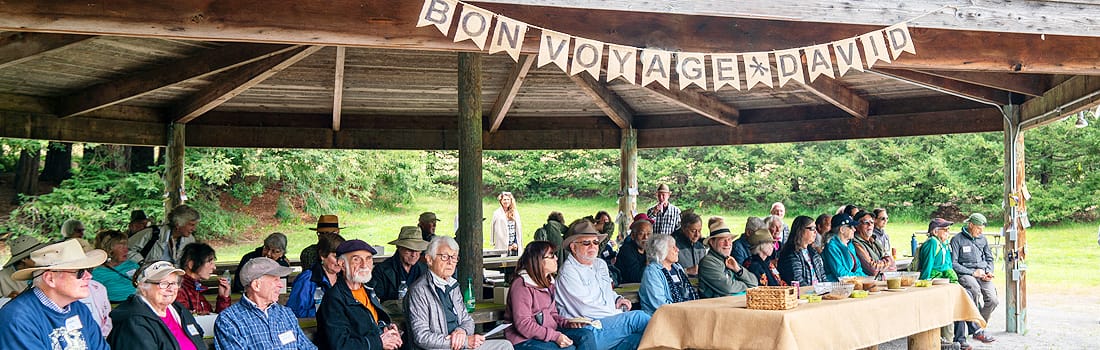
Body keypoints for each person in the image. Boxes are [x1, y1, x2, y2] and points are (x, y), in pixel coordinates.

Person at [554, 221, 649, 350]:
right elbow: (585, 308)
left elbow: (606, 291)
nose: (592, 246)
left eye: (596, 242)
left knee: (640, 341)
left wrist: (617, 298)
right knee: (639, 318)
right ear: (573, 247)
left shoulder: (600, 264)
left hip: (609, 325)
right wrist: (619, 314)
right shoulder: (568, 272)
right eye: (586, 243)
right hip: (589, 329)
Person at [406, 236, 513, 350]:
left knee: (505, 346)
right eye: (444, 257)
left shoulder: (452, 285)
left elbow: (467, 321)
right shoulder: (419, 290)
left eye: (454, 257)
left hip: (461, 346)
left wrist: (461, 331)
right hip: (442, 347)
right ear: (429, 259)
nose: (450, 262)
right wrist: (464, 342)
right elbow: (422, 337)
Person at [0, 239, 110, 349]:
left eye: (88, 270)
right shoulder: (18, 318)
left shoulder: (80, 309)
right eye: (80, 272)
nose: (89, 276)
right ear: (50, 278)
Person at [504, 241, 597, 350]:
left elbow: (552, 314)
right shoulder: (522, 285)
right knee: (568, 349)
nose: (556, 258)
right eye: (552, 255)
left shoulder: (548, 282)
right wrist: (555, 336)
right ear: (539, 260)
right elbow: (523, 324)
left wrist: (567, 323)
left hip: (547, 331)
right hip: (523, 340)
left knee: (586, 335)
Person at [315, 240, 401, 350]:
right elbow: (340, 345)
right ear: (342, 264)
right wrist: (379, 342)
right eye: (356, 259)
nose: (364, 265)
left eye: (368, 258)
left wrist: (389, 331)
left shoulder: (368, 290)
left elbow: (372, 323)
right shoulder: (334, 299)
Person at [215, 257, 317, 350]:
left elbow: (307, 347)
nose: (281, 285)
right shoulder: (229, 321)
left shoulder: (286, 314)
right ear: (256, 285)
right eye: (275, 279)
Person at [107, 260, 206, 350]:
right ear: (143, 287)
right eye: (163, 283)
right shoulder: (134, 322)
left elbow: (199, 338)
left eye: (174, 283)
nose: (171, 289)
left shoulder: (179, 310)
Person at [919, 218, 969, 350]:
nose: (948, 232)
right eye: (945, 230)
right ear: (935, 232)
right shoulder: (932, 243)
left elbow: (948, 264)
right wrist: (925, 282)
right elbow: (927, 265)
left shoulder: (944, 243)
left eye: (949, 230)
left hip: (947, 280)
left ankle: (954, 338)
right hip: (936, 281)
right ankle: (947, 340)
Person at [950, 213, 998, 344]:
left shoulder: (983, 239)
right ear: (970, 225)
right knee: (975, 290)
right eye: (978, 228)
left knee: (993, 300)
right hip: (966, 274)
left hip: (983, 274)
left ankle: (979, 328)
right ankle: (977, 330)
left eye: (982, 229)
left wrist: (989, 271)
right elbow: (953, 264)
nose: (981, 232)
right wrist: (972, 273)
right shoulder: (956, 240)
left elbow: (989, 258)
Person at [287, 232, 345, 318]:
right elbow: (294, 312)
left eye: (343, 257)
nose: (340, 261)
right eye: (336, 257)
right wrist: (327, 311)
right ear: (322, 255)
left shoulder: (344, 278)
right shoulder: (308, 279)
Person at [697, 219, 756, 298]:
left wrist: (738, 270)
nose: (727, 244)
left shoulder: (728, 259)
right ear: (711, 242)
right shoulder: (708, 262)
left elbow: (754, 283)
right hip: (715, 308)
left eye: (729, 239)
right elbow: (728, 288)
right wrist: (747, 286)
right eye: (723, 240)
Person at [639, 234, 698, 314]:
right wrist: (686, 312)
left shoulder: (677, 268)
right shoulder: (652, 272)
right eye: (673, 247)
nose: (677, 250)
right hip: (664, 318)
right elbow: (660, 305)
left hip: (685, 312)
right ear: (662, 250)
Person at [371, 226, 429, 303]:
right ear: (399, 247)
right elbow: (376, 302)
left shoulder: (425, 270)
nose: (414, 254)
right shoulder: (381, 270)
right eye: (409, 249)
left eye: (418, 250)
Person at [128, 204, 200, 264]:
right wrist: (141, 262)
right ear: (178, 224)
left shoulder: (190, 240)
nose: (194, 229)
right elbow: (125, 249)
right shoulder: (152, 234)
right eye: (191, 225)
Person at [176, 243, 230, 315]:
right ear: (191, 264)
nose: (214, 267)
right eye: (210, 262)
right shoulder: (178, 290)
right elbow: (185, 320)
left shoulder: (195, 289)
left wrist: (223, 297)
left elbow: (220, 320)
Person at [91, 230, 140, 302]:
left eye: (126, 246)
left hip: (137, 303)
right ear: (108, 249)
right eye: (121, 247)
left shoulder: (133, 265)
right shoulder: (97, 272)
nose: (126, 250)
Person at [778, 216, 826, 286]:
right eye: (812, 228)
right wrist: (815, 292)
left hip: (817, 293)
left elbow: (822, 275)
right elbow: (797, 280)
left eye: (815, 228)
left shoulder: (813, 252)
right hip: (803, 294)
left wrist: (827, 289)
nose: (815, 232)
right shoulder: (791, 253)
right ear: (801, 230)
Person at [851, 211, 896, 277]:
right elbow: (873, 269)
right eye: (866, 222)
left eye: (872, 222)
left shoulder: (873, 240)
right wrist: (888, 262)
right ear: (857, 226)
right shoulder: (856, 243)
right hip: (870, 283)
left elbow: (893, 266)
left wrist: (882, 264)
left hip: (882, 280)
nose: (870, 225)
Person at [822, 216, 866, 281]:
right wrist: (859, 278)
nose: (855, 229)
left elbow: (858, 267)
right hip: (836, 285)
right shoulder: (831, 247)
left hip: (851, 282)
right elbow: (841, 274)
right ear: (842, 229)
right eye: (851, 227)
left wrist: (864, 278)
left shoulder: (849, 244)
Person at [614, 218, 651, 284]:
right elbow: (637, 277)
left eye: (649, 234)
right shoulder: (626, 250)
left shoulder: (649, 249)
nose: (646, 237)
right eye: (641, 234)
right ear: (633, 236)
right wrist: (651, 261)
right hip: (626, 288)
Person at [671, 211, 706, 277]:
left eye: (699, 231)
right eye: (693, 231)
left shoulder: (701, 247)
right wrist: (686, 271)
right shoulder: (673, 246)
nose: (697, 235)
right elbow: (665, 271)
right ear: (683, 229)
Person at [491, 192, 523, 256]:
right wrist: (507, 246)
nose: (506, 201)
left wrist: (515, 243)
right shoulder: (497, 213)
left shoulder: (515, 212)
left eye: (508, 199)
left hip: (514, 244)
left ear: (511, 200)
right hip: (502, 243)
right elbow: (496, 231)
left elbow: (518, 230)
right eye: (504, 199)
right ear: (501, 201)